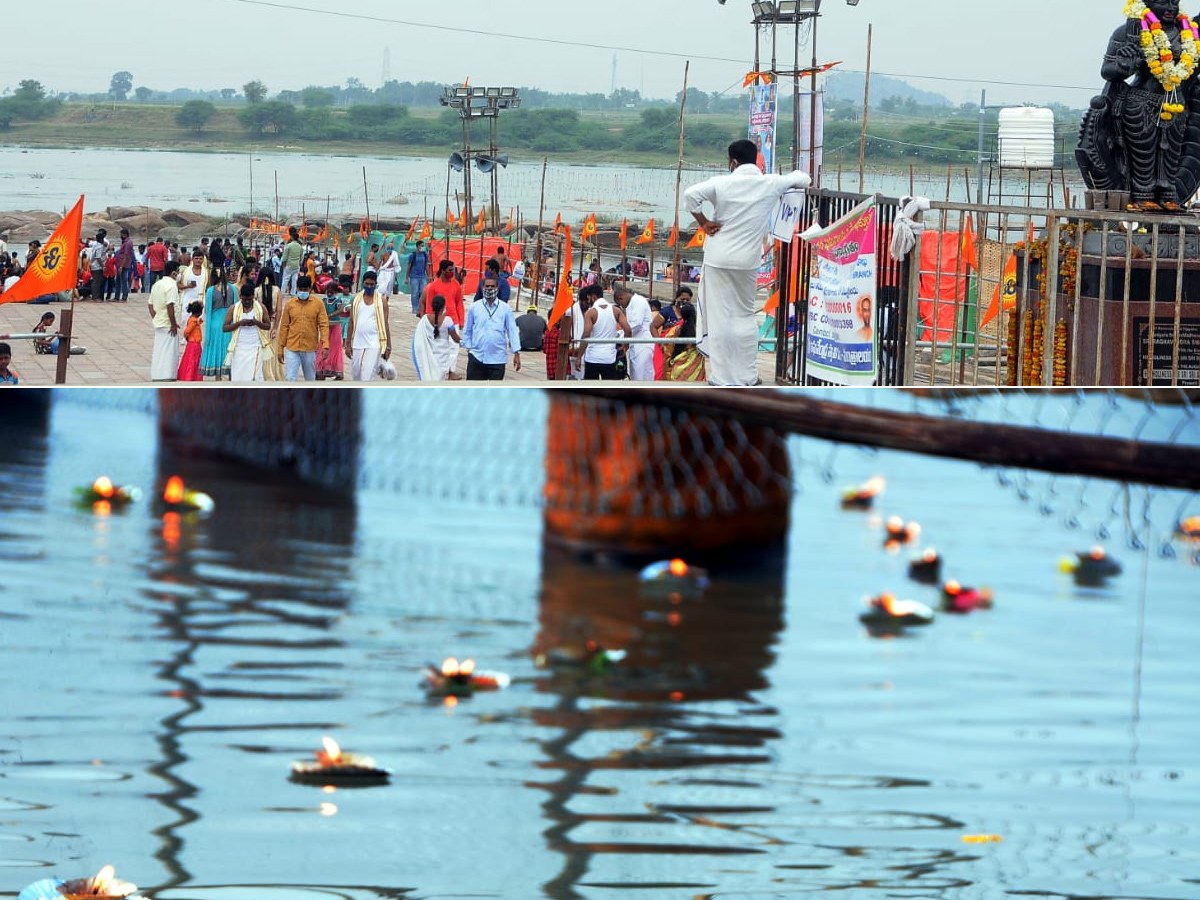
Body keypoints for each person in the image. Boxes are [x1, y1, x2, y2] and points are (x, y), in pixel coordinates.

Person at [684, 138, 811, 385]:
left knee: (721, 318)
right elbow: (802, 178)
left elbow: (690, 196)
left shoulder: (721, 183)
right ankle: (748, 376)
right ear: (756, 159)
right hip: (747, 261)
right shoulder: (770, 183)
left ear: (732, 162)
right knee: (743, 317)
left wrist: (703, 222)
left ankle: (721, 378)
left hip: (718, 258)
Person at [461, 273, 521, 380]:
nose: (489, 289)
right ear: (482, 288)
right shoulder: (474, 307)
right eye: (487, 286)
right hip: (477, 357)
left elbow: (512, 331)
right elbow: (468, 329)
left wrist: (516, 353)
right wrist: (469, 349)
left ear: (497, 288)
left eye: (492, 286)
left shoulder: (505, 309)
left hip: (497, 358)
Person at [277, 275, 329, 381]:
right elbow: (284, 327)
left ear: (310, 289)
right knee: (290, 378)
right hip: (292, 347)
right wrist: (280, 348)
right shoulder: (290, 304)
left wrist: (325, 345)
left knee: (310, 378)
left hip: (310, 348)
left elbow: (323, 325)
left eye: (305, 290)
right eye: (301, 289)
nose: (303, 292)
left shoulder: (318, 304)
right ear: (297, 288)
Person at [578, 283, 631, 380]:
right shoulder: (616, 310)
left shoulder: (591, 313)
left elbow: (586, 335)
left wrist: (579, 357)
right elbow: (628, 330)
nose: (588, 301)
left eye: (589, 298)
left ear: (593, 297)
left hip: (592, 358)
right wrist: (625, 346)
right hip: (609, 358)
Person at [345, 270, 391, 382]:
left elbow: (385, 323)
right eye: (367, 284)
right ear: (363, 283)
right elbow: (351, 321)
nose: (369, 286)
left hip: (374, 343)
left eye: (372, 284)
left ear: (376, 284)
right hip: (357, 342)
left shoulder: (382, 300)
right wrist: (347, 344)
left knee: (368, 375)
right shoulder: (356, 299)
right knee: (356, 373)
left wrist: (388, 346)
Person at [224, 281, 272, 382]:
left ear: (253, 296)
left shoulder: (261, 307)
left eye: (249, 299)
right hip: (239, 347)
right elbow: (225, 328)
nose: (247, 302)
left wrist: (256, 323)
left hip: (255, 347)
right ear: (240, 296)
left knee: (254, 377)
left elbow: (268, 326)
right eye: (244, 299)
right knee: (238, 376)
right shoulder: (233, 308)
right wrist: (239, 323)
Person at [412, 294, 462, 381]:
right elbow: (455, 338)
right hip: (443, 357)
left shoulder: (425, 319)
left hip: (430, 355)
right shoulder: (448, 321)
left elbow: (418, 336)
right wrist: (465, 342)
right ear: (443, 307)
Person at [199, 265, 234, 380]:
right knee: (228, 348)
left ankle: (218, 376)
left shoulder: (210, 291)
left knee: (216, 347)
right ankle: (230, 374)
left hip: (214, 324)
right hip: (229, 324)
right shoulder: (233, 289)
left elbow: (208, 310)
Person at [148, 260, 181, 381]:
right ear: (173, 273)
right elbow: (170, 305)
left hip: (159, 322)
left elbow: (150, 304)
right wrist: (173, 324)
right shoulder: (171, 286)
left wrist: (156, 317)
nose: (179, 274)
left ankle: (157, 375)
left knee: (159, 350)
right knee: (169, 352)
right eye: (178, 272)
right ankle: (167, 375)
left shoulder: (157, 284)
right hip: (168, 324)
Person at [613, 286, 654, 381]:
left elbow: (636, 324)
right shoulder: (630, 304)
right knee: (636, 374)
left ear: (621, 298)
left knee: (642, 374)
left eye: (620, 304)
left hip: (643, 343)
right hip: (635, 344)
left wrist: (620, 335)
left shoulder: (638, 301)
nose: (622, 307)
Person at [662, 301, 706, 382]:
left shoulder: (676, 330)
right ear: (695, 315)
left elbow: (668, 348)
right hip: (696, 369)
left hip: (678, 368)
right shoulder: (700, 331)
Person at [318, 282, 348, 380]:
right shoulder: (324, 300)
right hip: (326, 327)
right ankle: (321, 369)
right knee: (322, 347)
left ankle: (337, 371)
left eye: (331, 292)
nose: (329, 294)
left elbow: (341, 310)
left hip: (335, 326)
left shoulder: (337, 300)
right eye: (328, 292)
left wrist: (330, 315)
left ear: (335, 292)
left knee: (334, 349)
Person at [422, 258, 465, 326]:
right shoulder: (433, 286)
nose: (452, 272)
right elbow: (429, 306)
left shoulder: (456, 284)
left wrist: (461, 321)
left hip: (454, 322)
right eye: (450, 270)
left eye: (452, 270)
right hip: (439, 322)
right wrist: (430, 322)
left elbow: (459, 303)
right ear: (443, 270)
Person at [177, 300, 204, 382]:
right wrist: (186, 337)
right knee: (192, 360)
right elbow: (187, 331)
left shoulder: (194, 319)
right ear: (199, 312)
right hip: (194, 343)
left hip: (193, 343)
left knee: (190, 359)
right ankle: (190, 376)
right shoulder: (193, 320)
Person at [406, 239, 430, 315]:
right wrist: (407, 277)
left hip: (422, 276)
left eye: (424, 246)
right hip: (414, 277)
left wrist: (429, 275)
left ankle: (421, 307)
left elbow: (426, 265)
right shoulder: (412, 255)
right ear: (417, 246)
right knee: (415, 293)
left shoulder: (425, 255)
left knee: (422, 292)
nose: (423, 247)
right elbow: (409, 266)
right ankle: (415, 308)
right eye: (422, 246)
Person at [280, 226, 304, 295]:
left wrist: (284, 265)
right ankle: (293, 293)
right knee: (295, 280)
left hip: (289, 265)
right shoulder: (300, 246)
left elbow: (285, 257)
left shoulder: (288, 245)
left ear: (292, 237)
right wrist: (300, 264)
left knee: (285, 279)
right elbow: (301, 257)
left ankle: (282, 293)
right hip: (296, 266)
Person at [114, 228, 135, 301]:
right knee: (118, 281)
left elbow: (126, 256)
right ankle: (117, 297)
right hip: (120, 263)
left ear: (125, 235)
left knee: (123, 281)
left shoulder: (128, 243)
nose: (121, 236)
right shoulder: (125, 242)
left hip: (123, 265)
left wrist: (121, 267)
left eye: (121, 235)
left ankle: (124, 297)